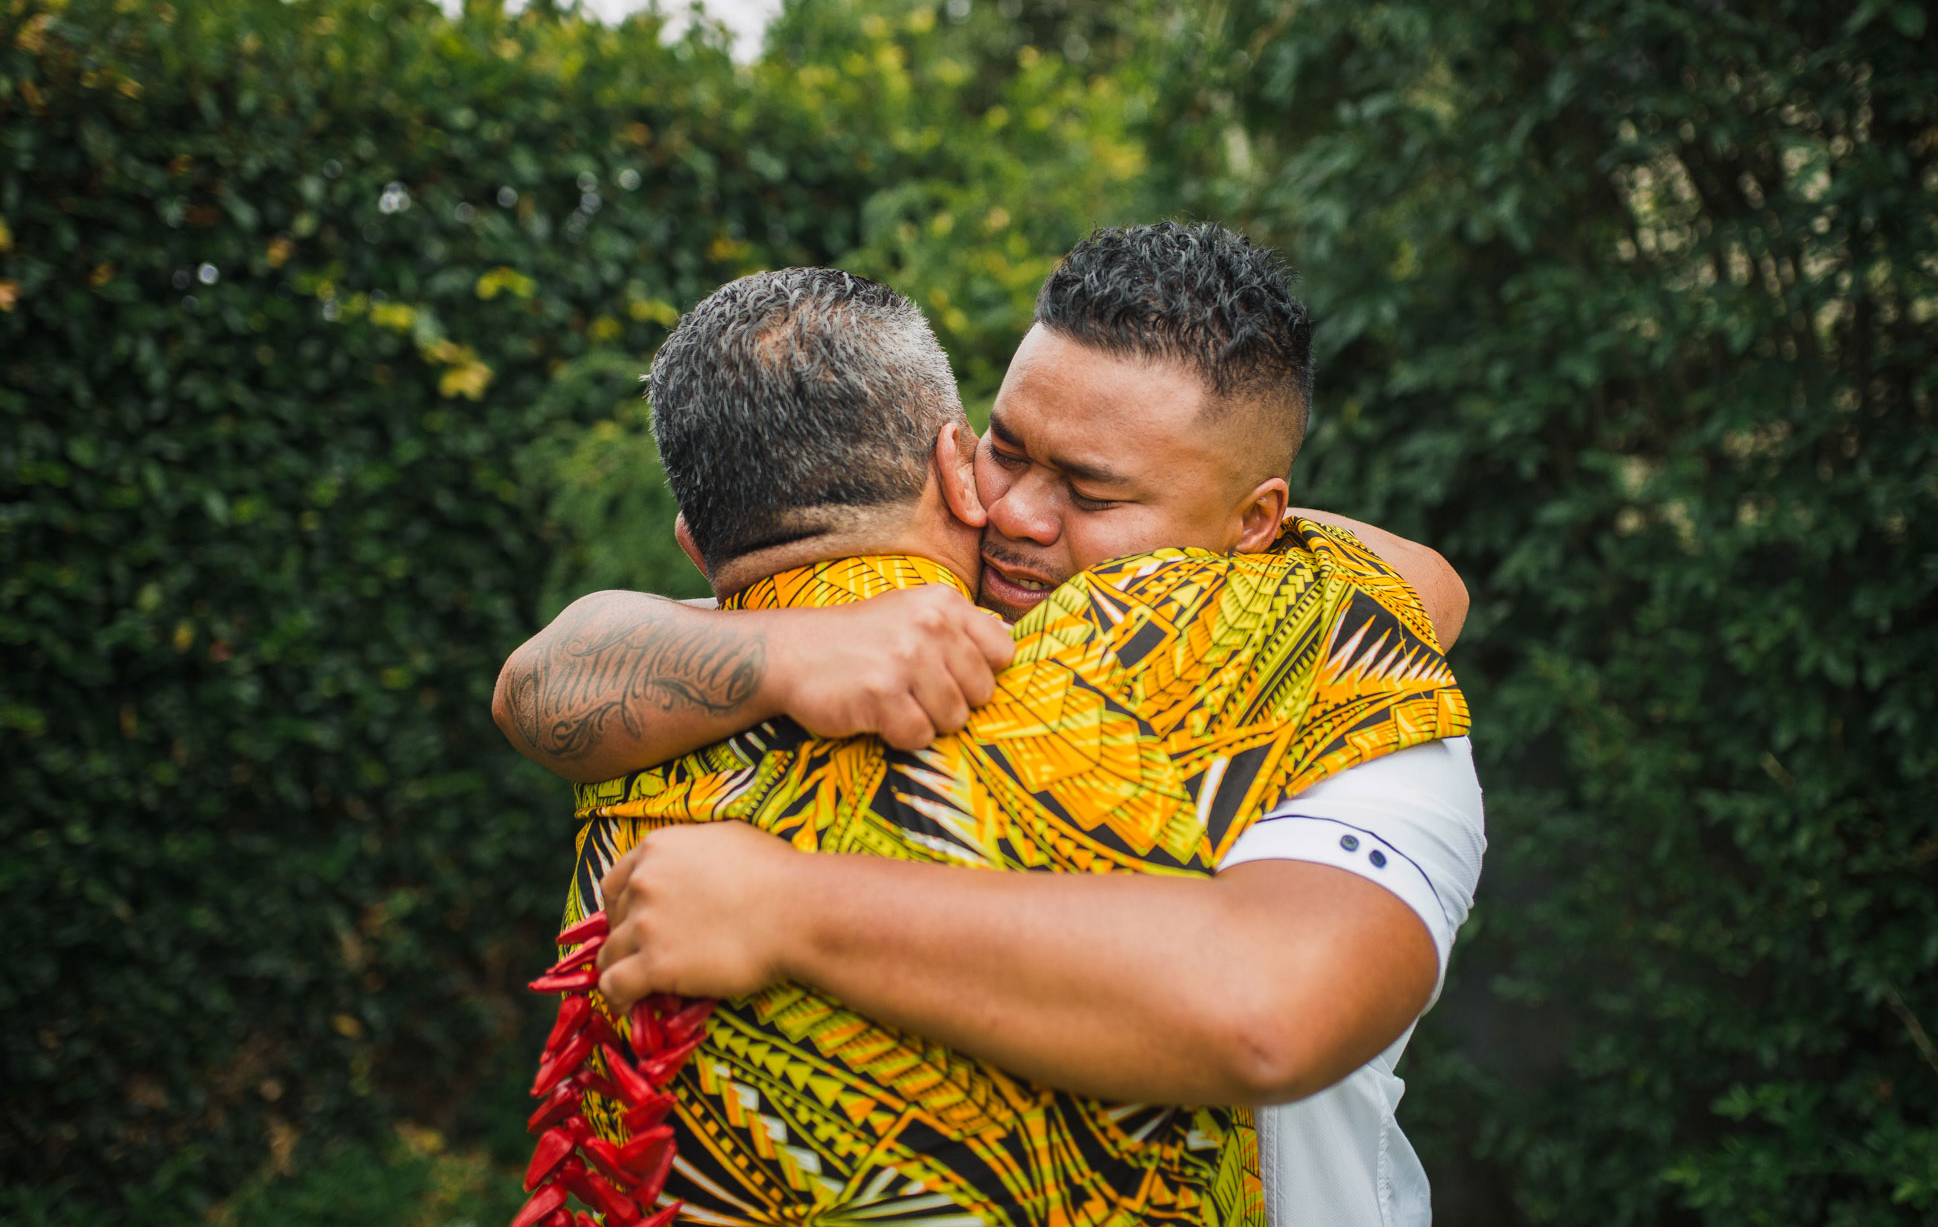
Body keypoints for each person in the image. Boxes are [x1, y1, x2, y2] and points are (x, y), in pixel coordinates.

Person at [495, 226, 1484, 1225]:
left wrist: (786, 908)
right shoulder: (882, 632)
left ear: (1253, 525)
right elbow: (542, 680)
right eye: (1004, 449)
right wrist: (780, 657)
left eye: (1092, 491)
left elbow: (1268, 1012)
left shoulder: (1355, 705)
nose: (1013, 513)